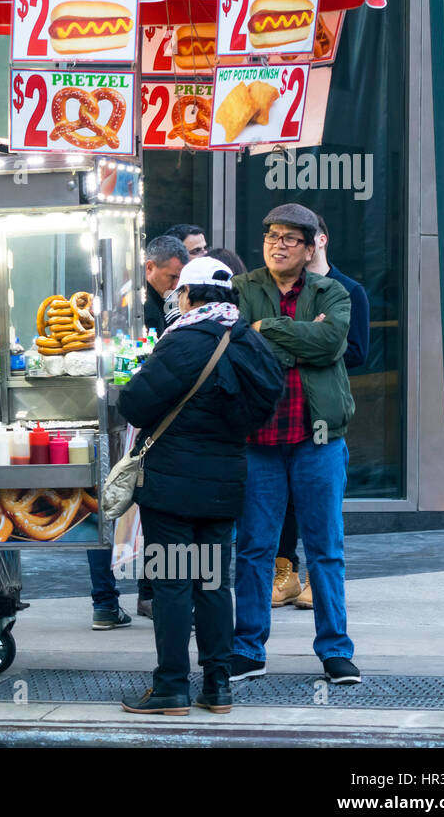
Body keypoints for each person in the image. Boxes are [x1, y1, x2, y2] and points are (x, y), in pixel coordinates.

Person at [117, 257, 284, 715]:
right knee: (211, 584)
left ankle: (171, 687)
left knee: (171, 586)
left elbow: (134, 403)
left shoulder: (182, 341)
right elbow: (265, 403)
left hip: (171, 490)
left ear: (188, 295)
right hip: (222, 486)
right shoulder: (248, 341)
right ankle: (217, 686)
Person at [231, 204, 361, 685]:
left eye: (290, 238)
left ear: (311, 249)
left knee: (326, 549)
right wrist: (296, 340)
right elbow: (239, 346)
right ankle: (247, 649)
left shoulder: (335, 293)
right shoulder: (242, 290)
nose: (278, 244)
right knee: (253, 549)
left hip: (318, 440)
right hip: (258, 440)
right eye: (271, 235)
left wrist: (270, 331)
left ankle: (335, 651)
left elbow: (330, 345)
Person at [273, 213, 370, 610]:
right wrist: (311, 336)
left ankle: (317, 576)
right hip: (282, 409)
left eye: (298, 240)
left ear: (319, 243)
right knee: (281, 501)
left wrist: (308, 342)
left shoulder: (349, 290)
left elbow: (358, 351)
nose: (288, 247)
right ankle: (285, 573)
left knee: (321, 501)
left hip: (324, 409)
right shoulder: (276, 291)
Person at [135, 234, 189, 617]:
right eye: (171, 278)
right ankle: (143, 594)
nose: (174, 287)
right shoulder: (134, 305)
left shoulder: (168, 309)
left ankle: (154, 593)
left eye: (180, 281)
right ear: (149, 267)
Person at [143, 234, 189, 337]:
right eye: (172, 277)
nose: (176, 286)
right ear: (149, 267)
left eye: (181, 278)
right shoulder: (140, 305)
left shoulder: (169, 297)